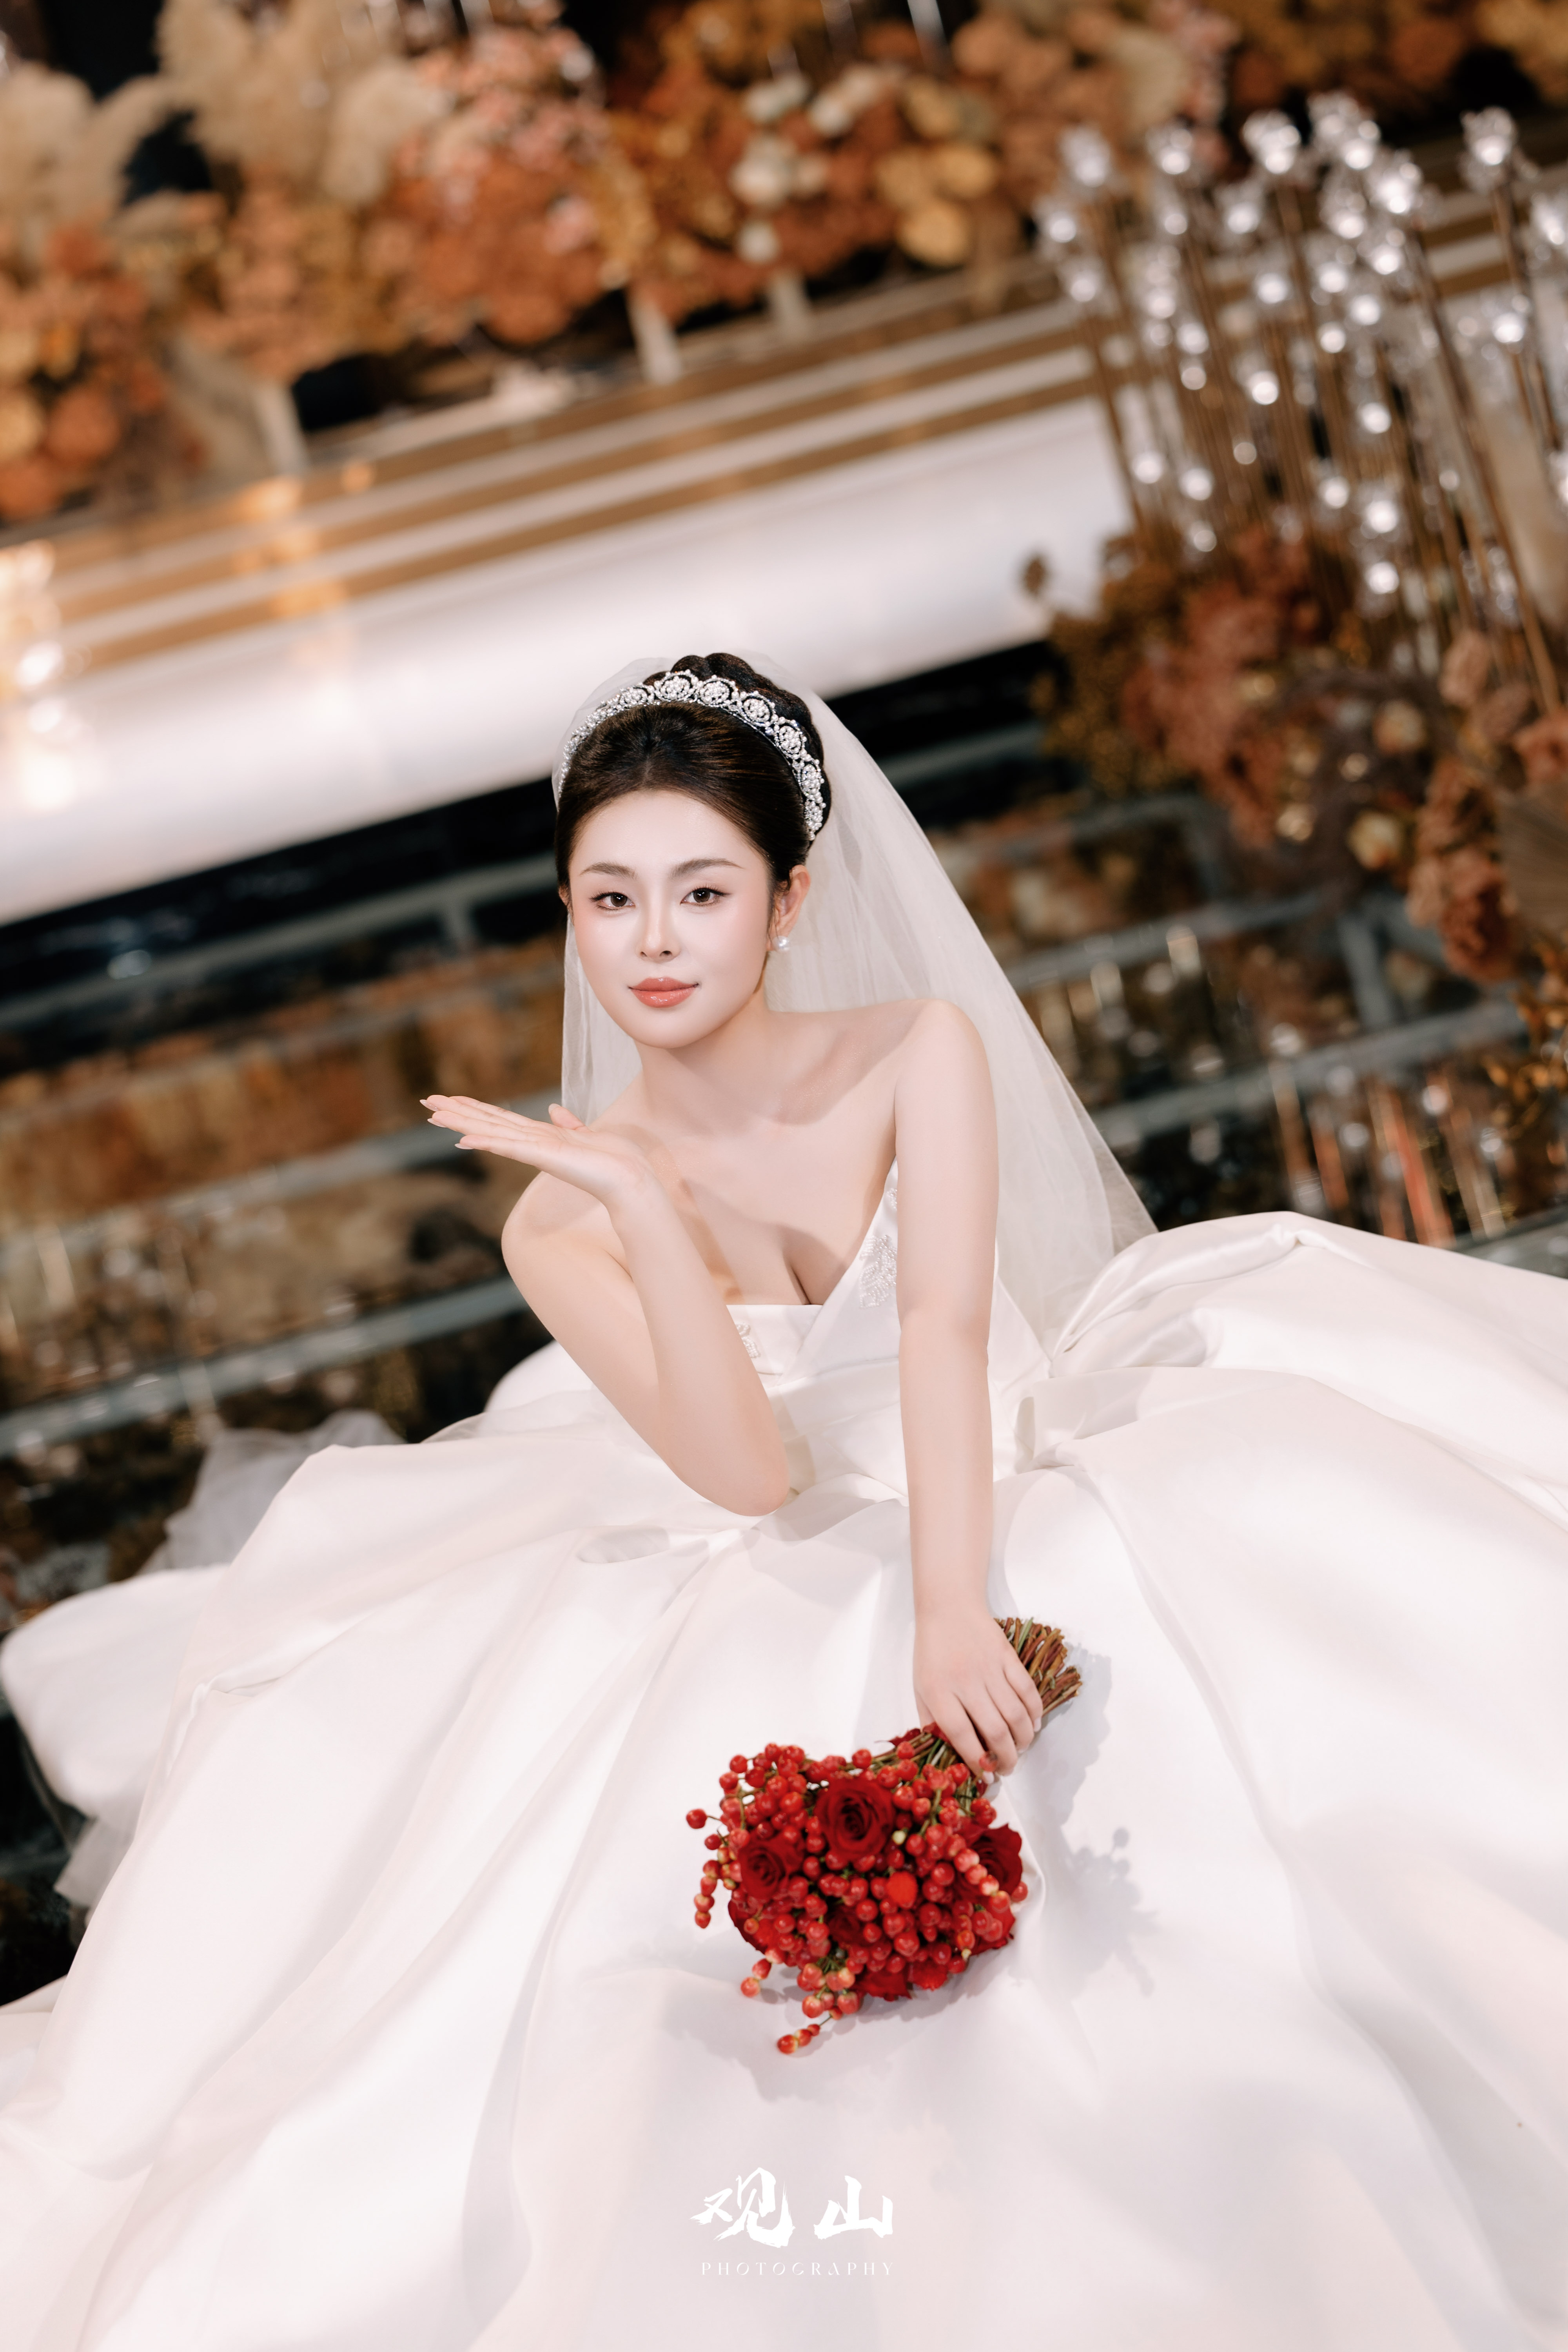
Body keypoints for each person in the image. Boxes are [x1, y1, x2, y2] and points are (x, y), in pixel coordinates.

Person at [0, 650, 1564, 2352]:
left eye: (702, 891)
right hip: (783, 1524)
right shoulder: (557, 1221)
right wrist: (639, 1209)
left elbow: (943, 1325)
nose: (654, 942)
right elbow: (747, 1472)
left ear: (789, 901)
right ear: (569, 914)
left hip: (993, 1454)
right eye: (611, 897)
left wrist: (954, 1606)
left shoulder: (914, 1050)